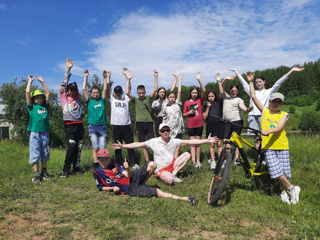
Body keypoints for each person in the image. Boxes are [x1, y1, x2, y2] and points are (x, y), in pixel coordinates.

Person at [247, 71, 300, 205]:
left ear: (281, 104)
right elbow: (253, 97)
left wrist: (267, 131)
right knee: (276, 172)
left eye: (279, 102)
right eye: (274, 101)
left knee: (284, 172)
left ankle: (284, 193)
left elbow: (279, 128)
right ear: (269, 102)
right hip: (269, 147)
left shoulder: (284, 114)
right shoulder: (264, 111)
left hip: (282, 145)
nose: (276, 104)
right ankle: (293, 189)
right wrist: (250, 81)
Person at [112, 123, 219, 185]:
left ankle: (174, 173)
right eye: (163, 131)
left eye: (167, 130)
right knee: (170, 181)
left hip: (173, 165)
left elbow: (191, 142)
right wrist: (123, 146)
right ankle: (169, 176)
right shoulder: (154, 141)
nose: (166, 132)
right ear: (159, 132)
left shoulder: (174, 140)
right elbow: (138, 144)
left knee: (187, 154)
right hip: (161, 169)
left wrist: (206, 141)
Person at [229, 67, 304, 149]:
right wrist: (236, 71)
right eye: (256, 82)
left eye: (260, 82)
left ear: (264, 82)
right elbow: (243, 82)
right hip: (252, 116)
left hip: (263, 116)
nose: (258, 84)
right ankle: (258, 157)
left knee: (264, 137)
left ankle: (264, 157)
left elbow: (279, 82)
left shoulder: (269, 92)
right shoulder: (252, 91)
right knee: (256, 139)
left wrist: (292, 70)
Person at [93, 149, 198, 205]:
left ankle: (142, 183)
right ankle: (185, 199)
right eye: (102, 160)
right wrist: (112, 188)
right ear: (98, 160)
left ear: (109, 159)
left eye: (106, 159)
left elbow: (128, 175)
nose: (104, 162)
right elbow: (100, 187)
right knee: (158, 192)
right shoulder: (97, 172)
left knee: (152, 164)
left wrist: (128, 168)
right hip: (130, 188)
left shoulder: (115, 165)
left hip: (132, 177)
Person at [107, 69, 138, 169]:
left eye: (120, 92)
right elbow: (107, 89)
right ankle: (119, 164)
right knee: (117, 147)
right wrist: (108, 77)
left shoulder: (126, 99)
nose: (119, 94)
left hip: (126, 126)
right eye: (117, 92)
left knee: (130, 145)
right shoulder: (112, 99)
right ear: (115, 93)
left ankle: (133, 163)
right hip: (116, 126)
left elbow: (128, 90)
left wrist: (127, 78)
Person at [59, 58, 84, 178]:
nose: (73, 92)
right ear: (68, 91)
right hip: (69, 126)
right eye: (71, 90)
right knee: (71, 147)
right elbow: (63, 86)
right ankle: (65, 169)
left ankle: (76, 168)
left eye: (75, 90)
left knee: (78, 148)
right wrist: (68, 70)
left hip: (79, 125)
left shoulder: (77, 99)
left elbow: (78, 90)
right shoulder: (64, 98)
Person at [126, 68, 157, 162]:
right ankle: (147, 161)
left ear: (145, 92)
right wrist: (128, 79)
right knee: (143, 143)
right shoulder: (135, 100)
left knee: (153, 142)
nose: (141, 94)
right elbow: (127, 92)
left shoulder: (148, 98)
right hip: (139, 123)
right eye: (140, 93)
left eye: (143, 92)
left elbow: (155, 89)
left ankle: (156, 159)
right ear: (137, 93)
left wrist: (156, 76)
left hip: (149, 122)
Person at [221, 75, 253, 162]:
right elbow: (221, 87)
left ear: (237, 92)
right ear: (229, 91)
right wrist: (225, 79)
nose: (234, 92)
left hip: (237, 121)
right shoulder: (225, 97)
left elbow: (241, 106)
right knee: (226, 140)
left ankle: (236, 158)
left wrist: (246, 109)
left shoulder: (239, 99)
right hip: (227, 122)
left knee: (236, 140)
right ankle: (227, 157)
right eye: (232, 91)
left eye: (235, 91)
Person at [26, 74, 51, 183]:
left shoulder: (45, 106)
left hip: (45, 134)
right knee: (35, 153)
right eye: (37, 98)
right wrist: (30, 81)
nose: (39, 99)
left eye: (41, 98)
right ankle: (36, 174)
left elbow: (48, 93)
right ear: (33, 99)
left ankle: (44, 172)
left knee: (44, 153)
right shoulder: (32, 107)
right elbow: (27, 93)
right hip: (35, 134)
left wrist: (42, 82)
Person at [82, 69, 108, 169]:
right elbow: (84, 89)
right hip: (92, 126)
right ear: (91, 93)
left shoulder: (102, 100)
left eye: (97, 92)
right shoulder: (89, 101)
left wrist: (105, 77)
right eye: (93, 93)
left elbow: (105, 89)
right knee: (95, 148)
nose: (96, 94)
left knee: (102, 148)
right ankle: (96, 165)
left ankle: (103, 166)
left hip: (102, 127)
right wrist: (85, 77)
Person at [183, 72, 206, 168]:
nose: (195, 94)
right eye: (193, 93)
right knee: (192, 144)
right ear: (190, 93)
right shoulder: (187, 102)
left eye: (196, 92)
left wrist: (199, 79)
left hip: (199, 124)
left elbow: (204, 90)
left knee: (198, 144)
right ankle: (193, 162)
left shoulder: (199, 100)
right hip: (191, 125)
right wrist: (189, 113)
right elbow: (184, 114)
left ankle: (198, 161)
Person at [202, 73, 224, 169]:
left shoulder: (219, 103)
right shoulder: (206, 105)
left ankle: (220, 161)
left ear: (215, 96)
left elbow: (221, 93)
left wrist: (218, 81)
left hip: (219, 125)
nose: (211, 98)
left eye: (212, 96)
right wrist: (207, 108)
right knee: (211, 144)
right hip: (210, 126)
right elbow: (204, 117)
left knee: (219, 143)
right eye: (209, 96)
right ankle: (213, 161)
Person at [162, 73, 184, 159]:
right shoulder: (166, 107)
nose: (172, 98)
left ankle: (175, 162)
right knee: (169, 147)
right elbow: (164, 119)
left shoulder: (177, 104)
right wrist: (163, 129)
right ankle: (169, 162)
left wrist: (179, 79)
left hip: (178, 129)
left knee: (177, 147)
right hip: (169, 130)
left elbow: (179, 91)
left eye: (173, 97)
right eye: (170, 97)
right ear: (168, 98)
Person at [151, 71, 178, 137]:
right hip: (158, 119)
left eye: (163, 92)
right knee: (158, 136)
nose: (162, 93)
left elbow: (172, 89)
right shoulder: (155, 103)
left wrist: (176, 78)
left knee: (167, 136)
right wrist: (157, 119)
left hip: (167, 119)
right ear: (158, 93)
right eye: (160, 92)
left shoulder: (167, 100)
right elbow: (152, 113)